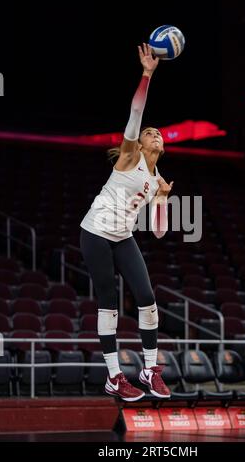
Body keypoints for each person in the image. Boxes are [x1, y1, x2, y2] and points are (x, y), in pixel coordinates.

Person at [79, 43, 173, 401]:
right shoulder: (131, 155)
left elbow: (161, 230)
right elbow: (136, 110)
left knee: (148, 299)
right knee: (109, 303)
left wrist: (163, 199)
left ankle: (149, 370)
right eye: (150, 132)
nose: (155, 134)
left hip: (122, 236)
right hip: (95, 233)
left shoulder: (156, 179)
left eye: (158, 133)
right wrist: (147, 74)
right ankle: (115, 376)